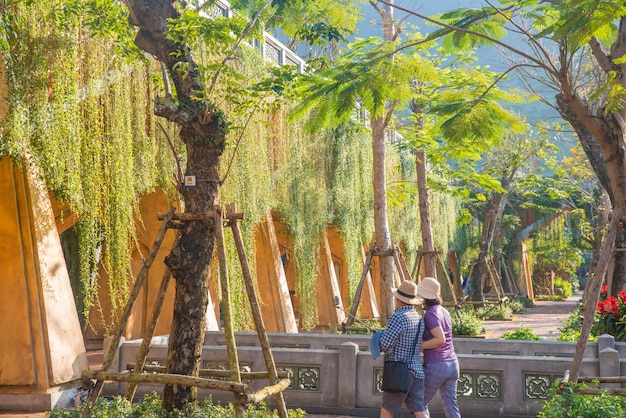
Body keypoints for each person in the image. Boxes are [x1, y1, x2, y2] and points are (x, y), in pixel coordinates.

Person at [376, 280, 428, 418]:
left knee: (387, 408)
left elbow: (385, 345)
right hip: (417, 371)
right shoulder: (418, 318)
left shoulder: (397, 317)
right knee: (420, 410)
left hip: (399, 373)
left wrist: (379, 339)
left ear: (398, 298)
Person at [416, 276, 461, 418]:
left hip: (437, 364)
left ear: (424, 297)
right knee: (451, 407)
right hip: (453, 364)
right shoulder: (443, 311)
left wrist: (419, 346)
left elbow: (440, 339)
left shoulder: (430, 314)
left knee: (418, 402)